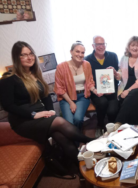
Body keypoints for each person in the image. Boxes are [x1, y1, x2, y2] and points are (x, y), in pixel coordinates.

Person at [0, 41, 94, 174]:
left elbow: (46, 96)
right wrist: (33, 114)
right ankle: (92, 141)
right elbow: (8, 106)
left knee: (61, 137)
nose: (29, 57)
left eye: (31, 53)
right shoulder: (8, 79)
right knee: (61, 122)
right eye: (24, 55)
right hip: (23, 121)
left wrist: (50, 110)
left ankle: (78, 167)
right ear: (17, 57)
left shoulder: (34, 75)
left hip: (40, 114)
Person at [108, 36, 138, 130]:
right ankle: (136, 128)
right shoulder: (124, 57)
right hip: (124, 88)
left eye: (137, 45)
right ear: (128, 47)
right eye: (132, 45)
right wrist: (115, 73)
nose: (135, 48)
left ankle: (119, 124)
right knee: (133, 103)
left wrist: (128, 90)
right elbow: (120, 74)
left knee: (133, 95)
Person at [54, 41, 98, 130]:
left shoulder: (87, 64)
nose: (80, 54)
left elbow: (89, 82)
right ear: (71, 52)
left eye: (82, 52)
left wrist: (95, 90)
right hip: (66, 98)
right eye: (77, 51)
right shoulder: (61, 67)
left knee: (78, 119)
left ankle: (77, 141)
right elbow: (59, 88)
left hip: (83, 96)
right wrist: (71, 103)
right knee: (69, 123)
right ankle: (76, 143)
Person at [85, 36, 119, 136]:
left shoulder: (113, 56)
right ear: (93, 45)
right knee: (102, 103)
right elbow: (88, 79)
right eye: (98, 44)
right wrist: (95, 90)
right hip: (96, 91)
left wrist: (114, 71)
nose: (101, 47)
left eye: (103, 44)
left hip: (112, 90)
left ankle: (111, 129)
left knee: (112, 111)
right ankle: (100, 125)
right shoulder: (87, 60)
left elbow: (118, 75)